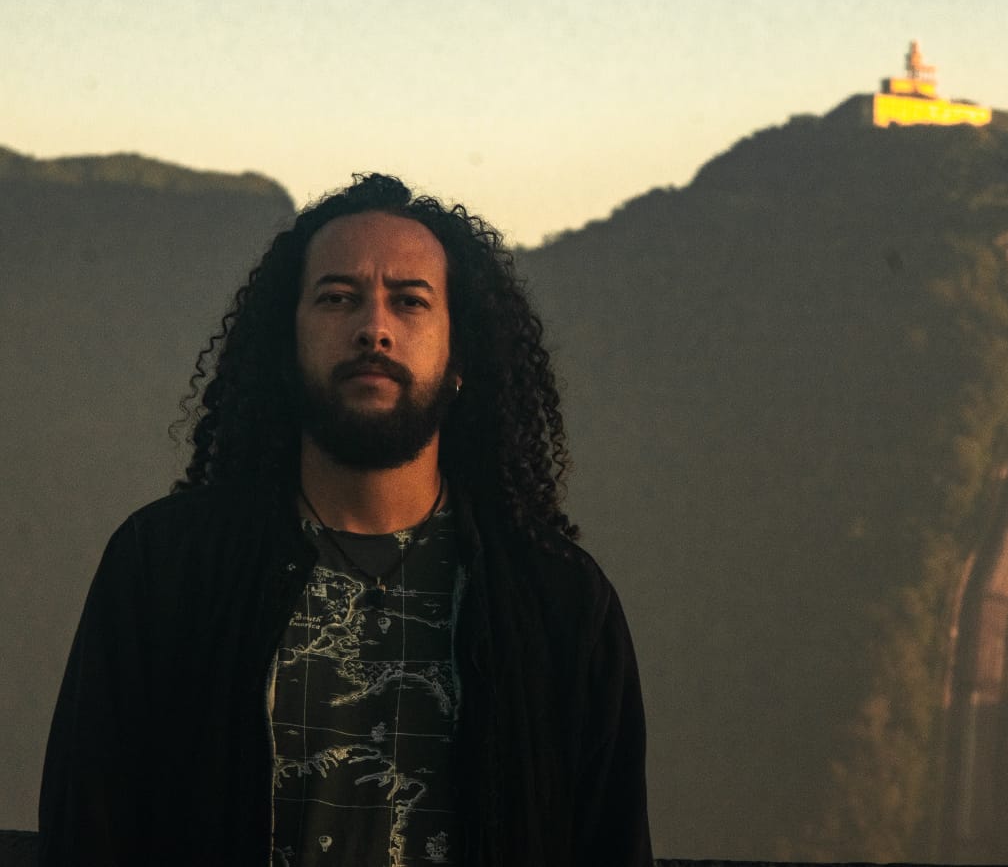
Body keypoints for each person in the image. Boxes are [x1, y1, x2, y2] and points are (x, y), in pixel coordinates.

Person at [39, 174, 651, 866]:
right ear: (286, 344)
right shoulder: (166, 568)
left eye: (410, 301)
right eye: (337, 298)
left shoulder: (558, 601)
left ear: (460, 359)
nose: (373, 330)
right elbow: (86, 825)